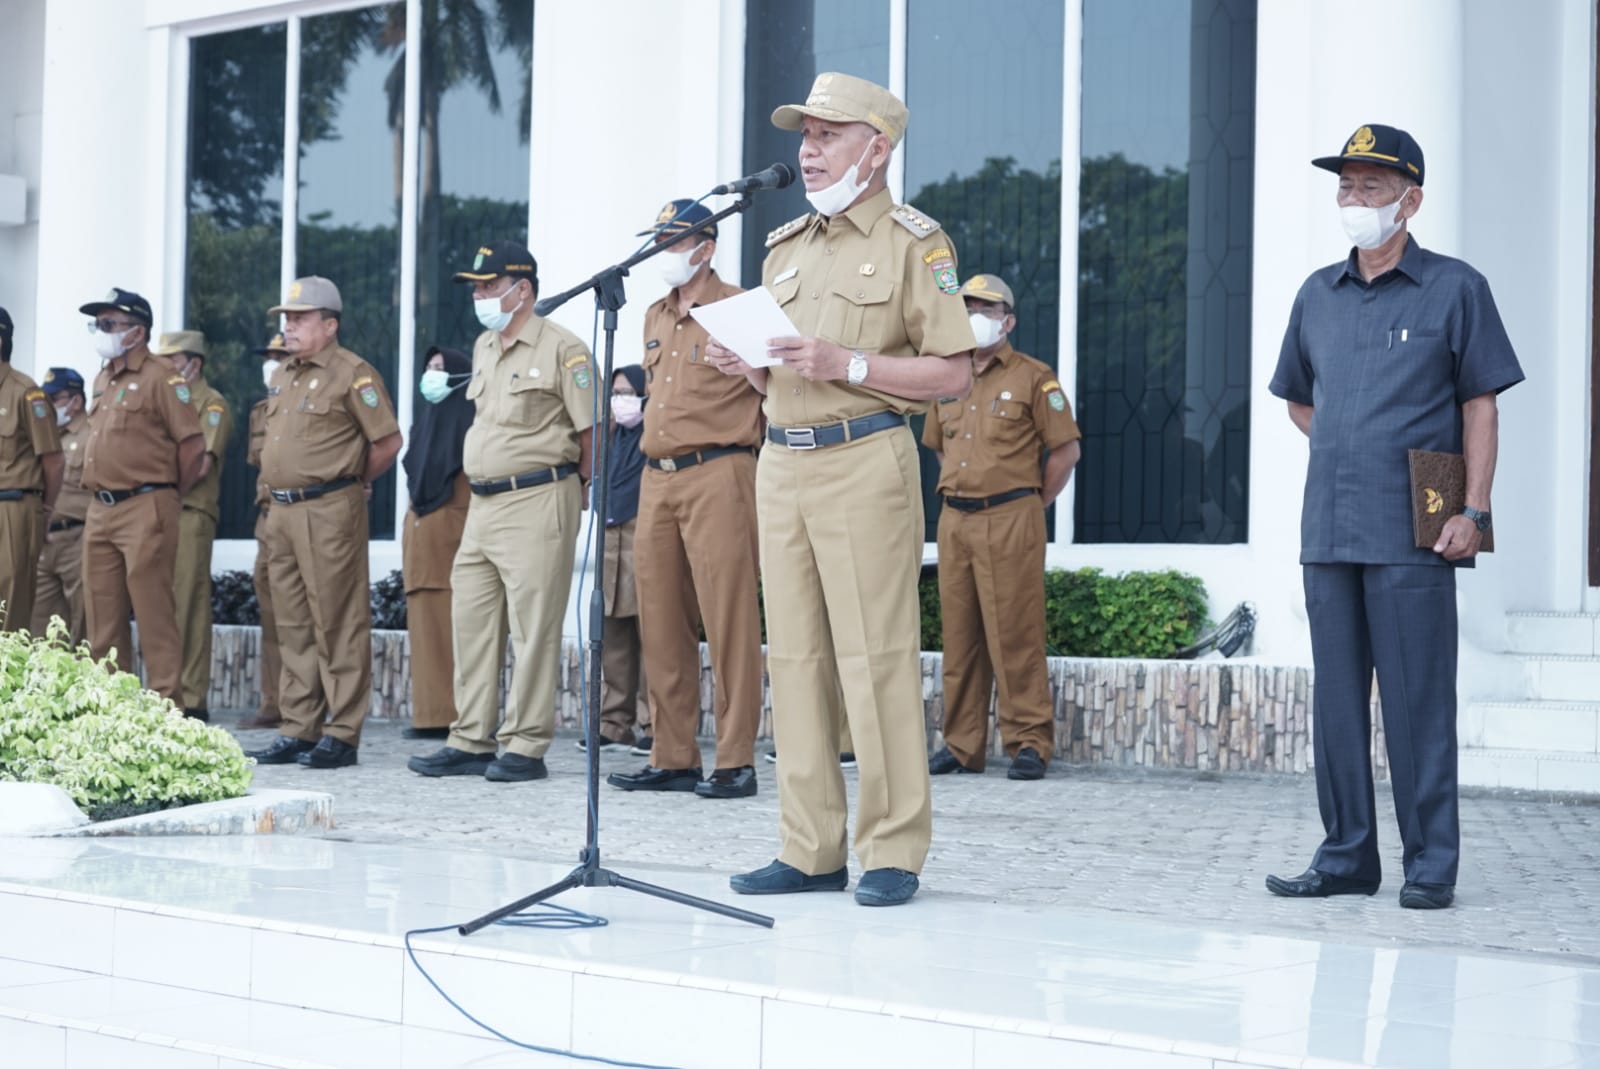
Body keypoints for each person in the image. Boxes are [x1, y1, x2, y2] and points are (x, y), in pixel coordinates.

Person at [705, 73, 975, 907]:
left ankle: (891, 847)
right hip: (780, 460)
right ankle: (810, 846)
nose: (807, 151)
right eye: (804, 135)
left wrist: (847, 363)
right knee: (795, 659)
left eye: (827, 135)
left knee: (875, 658)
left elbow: (954, 372)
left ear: (877, 147)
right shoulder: (785, 246)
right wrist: (749, 367)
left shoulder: (913, 243)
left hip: (865, 460)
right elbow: (787, 373)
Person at [1265, 124, 1524, 911]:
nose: (1355, 200)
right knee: (1338, 706)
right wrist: (1354, 443)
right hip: (1329, 530)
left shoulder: (1456, 288)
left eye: (1372, 188)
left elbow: (1480, 406)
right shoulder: (1317, 293)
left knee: (1417, 702)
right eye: (1346, 186)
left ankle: (1430, 861)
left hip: (1418, 530)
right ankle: (1346, 853)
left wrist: (1473, 509)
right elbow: (1302, 403)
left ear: (1411, 200)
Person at [406, 241, 595, 783]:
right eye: (476, 286)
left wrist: (576, 492)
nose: (479, 295)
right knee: (472, 621)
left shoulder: (566, 350)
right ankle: (470, 738)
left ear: (523, 290)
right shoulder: (486, 345)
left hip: (538, 496)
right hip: (483, 503)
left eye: (489, 285)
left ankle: (525, 745)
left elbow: (590, 435)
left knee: (534, 628)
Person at [607, 200, 765, 800]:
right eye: (659, 240)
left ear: (706, 246)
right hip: (658, 475)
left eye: (674, 242)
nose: (664, 252)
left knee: (727, 617)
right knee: (660, 619)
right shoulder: (652, 314)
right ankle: (671, 753)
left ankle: (734, 757)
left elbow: (774, 390)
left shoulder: (739, 308)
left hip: (719, 470)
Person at [923, 274, 1081, 781]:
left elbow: (1066, 450)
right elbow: (940, 446)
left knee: (1016, 634)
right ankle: (961, 745)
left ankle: (1028, 742)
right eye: (968, 307)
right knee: (960, 637)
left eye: (986, 310)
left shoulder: (1034, 378)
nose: (976, 317)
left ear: (1007, 322)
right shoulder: (946, 376)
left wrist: (1032, 500)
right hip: (956, 519)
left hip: (1012, 516)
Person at [246, 277, 403, 769]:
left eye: (300, 318)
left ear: (329, 325)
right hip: (281, 511)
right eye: (286, 318)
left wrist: (351, 481)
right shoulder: (284, 376)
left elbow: (387, 442)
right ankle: (299, 726)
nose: (288, 326)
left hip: (328, 509)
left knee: (337, 619)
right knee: (291, 623)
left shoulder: (352, 374)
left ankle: (341, 730)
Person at [79, 288, 204, 700]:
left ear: (137, 331)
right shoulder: (102, 376)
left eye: (110, 324)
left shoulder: (162, 377)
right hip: (100, 508)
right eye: (99, 324)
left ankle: (168, 706)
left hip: (146, 504)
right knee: (102, 619)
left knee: (153, 613)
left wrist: (168, 494)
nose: (102, 331)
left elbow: (192, 446)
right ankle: (113, 710)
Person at [153, 331, 233, 721]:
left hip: (190, 511)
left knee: (187, 602)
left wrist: (159, 483)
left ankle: (190, 697)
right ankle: (166, 691)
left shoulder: (210, 404)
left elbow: (200, 464)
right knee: (161, 603)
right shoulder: (166, 401)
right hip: (160, 510)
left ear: (193, 364)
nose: (164, 368)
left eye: (172, 362)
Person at [400, 345, 474, 741]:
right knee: (425, 628)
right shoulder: (426, 421)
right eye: (428, 367)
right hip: (421, 537)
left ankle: (454, 715)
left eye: (442, 368)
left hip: (452, 539)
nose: (432, 374)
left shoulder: (469, 418)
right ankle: (429, 715)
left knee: (451, 631)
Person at [589, 363, 654, 754]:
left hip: (641, 532)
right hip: (609, 537)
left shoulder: (652, 440)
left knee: (651, 634)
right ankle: (614, 723)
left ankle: (654, 724)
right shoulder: (611, 440)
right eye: (615, 394)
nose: (621, 402)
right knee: (613, 633)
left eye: (629, 393)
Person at [0, 306, 62, 634]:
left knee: (11, 607)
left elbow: (53, 460)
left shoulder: (26, 392)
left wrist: (45, 509)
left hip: (13, 508)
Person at [239, 334, 288, 730]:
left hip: (301, 512)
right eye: (268, 357)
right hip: (266, 518)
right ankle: (274, 703)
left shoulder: (301, 405)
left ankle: (309, 708)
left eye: (280, 357)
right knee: (270, 613)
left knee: (304, 615)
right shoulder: (260, 411)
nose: (271, 364)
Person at [30, 368, 88, 644]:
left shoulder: (94, 435)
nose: (49, 406)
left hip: (79, 540)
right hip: (46, 540)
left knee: (84, 625)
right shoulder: (47, 437)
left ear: (75, 401)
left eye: (55, 399)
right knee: (41, 631)